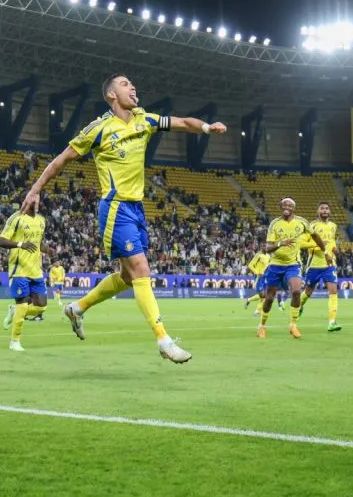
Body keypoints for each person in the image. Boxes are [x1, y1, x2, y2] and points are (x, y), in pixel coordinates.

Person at [21, 73, 226, 363]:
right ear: (111, 95)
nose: (133, 87)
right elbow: (62, 159)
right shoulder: (99, 129)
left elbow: (182, 122)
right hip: (115, 208)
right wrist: (35, 189)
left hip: (137, 209)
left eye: (132, 84)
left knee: (128, 277)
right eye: (125, 84)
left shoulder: (145, 119)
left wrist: (206, 127)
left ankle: (76, 308)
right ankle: (164, 340)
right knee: (141, 270)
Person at [256, 198, 330, 339]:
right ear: (280, 207)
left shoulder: (302, 222)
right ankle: (262, 326)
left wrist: (325, 252)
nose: (287, 207)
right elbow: (267, 248)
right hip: (275, 264)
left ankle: (293, 325)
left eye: (290, 205)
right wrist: (280, 243)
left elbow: (315, 236)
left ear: (293, 208)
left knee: (296, 292)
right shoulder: (275, 224)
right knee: (269, 298)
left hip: (293, 264)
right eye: (284, 205)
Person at [0, 196, 50, 352]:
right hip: (19, 269)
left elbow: (38, 243)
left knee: (41, 307)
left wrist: (48, 250)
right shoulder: (16, 218)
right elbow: (1, 241)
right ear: (26, 201)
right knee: (22, 304)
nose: (36, 203)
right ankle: (14, 341)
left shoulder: (42, 220)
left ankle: (14, 311)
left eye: (37, 200)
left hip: (36, 270)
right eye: (33, 200)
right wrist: (21, 244)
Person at [298, 202, 342, 332]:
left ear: (329, 211)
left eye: (327, 208)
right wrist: (318, 245)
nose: (325, 210)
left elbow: (331, 240)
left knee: (333, 291)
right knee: (308, 292)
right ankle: (299, 305)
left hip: (329, 264)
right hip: (314, 265)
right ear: (317, 211)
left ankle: (332, 322)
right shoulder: (312, 226)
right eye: (322, 208)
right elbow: (301, 243)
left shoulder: (333, 226)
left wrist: (334, 249)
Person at [243, 244, 284, 314]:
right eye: (263, 246)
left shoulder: (268, 256)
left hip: (265, 277)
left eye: (266, 246)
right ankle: (249, 300)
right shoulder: (258, 255)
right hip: (259, 277)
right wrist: (257, 273)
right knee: (262, 295)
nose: (265, 248)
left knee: (264, 296)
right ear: (261, 247)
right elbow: (250, 265)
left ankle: (257, 311)